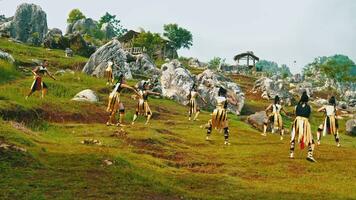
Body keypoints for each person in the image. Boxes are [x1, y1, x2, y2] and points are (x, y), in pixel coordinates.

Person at [289, 91, 316, 162]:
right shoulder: (310, 107)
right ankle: (310, 155)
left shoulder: (296, 106)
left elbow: (295, 114)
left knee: (293, 137)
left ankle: (291, 154)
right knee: (310, 139)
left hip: (297, 121)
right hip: (305, 122)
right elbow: (309, 116)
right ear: (307, 100)